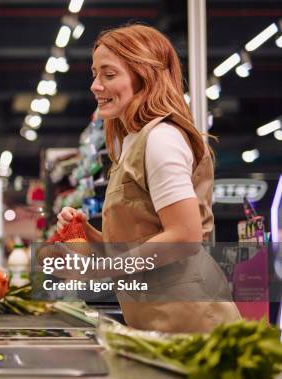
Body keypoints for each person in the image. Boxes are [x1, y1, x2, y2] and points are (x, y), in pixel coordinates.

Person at [56, 24, 240, 332]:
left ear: (144, 77)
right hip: (158, 321)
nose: (95, 85)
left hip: (192, 323)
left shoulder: (161, 139)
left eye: (109, 74)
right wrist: (89, 234)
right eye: (94, 73)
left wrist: (106, 268)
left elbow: (183, 236)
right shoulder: (131, 144)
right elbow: (139, 244)